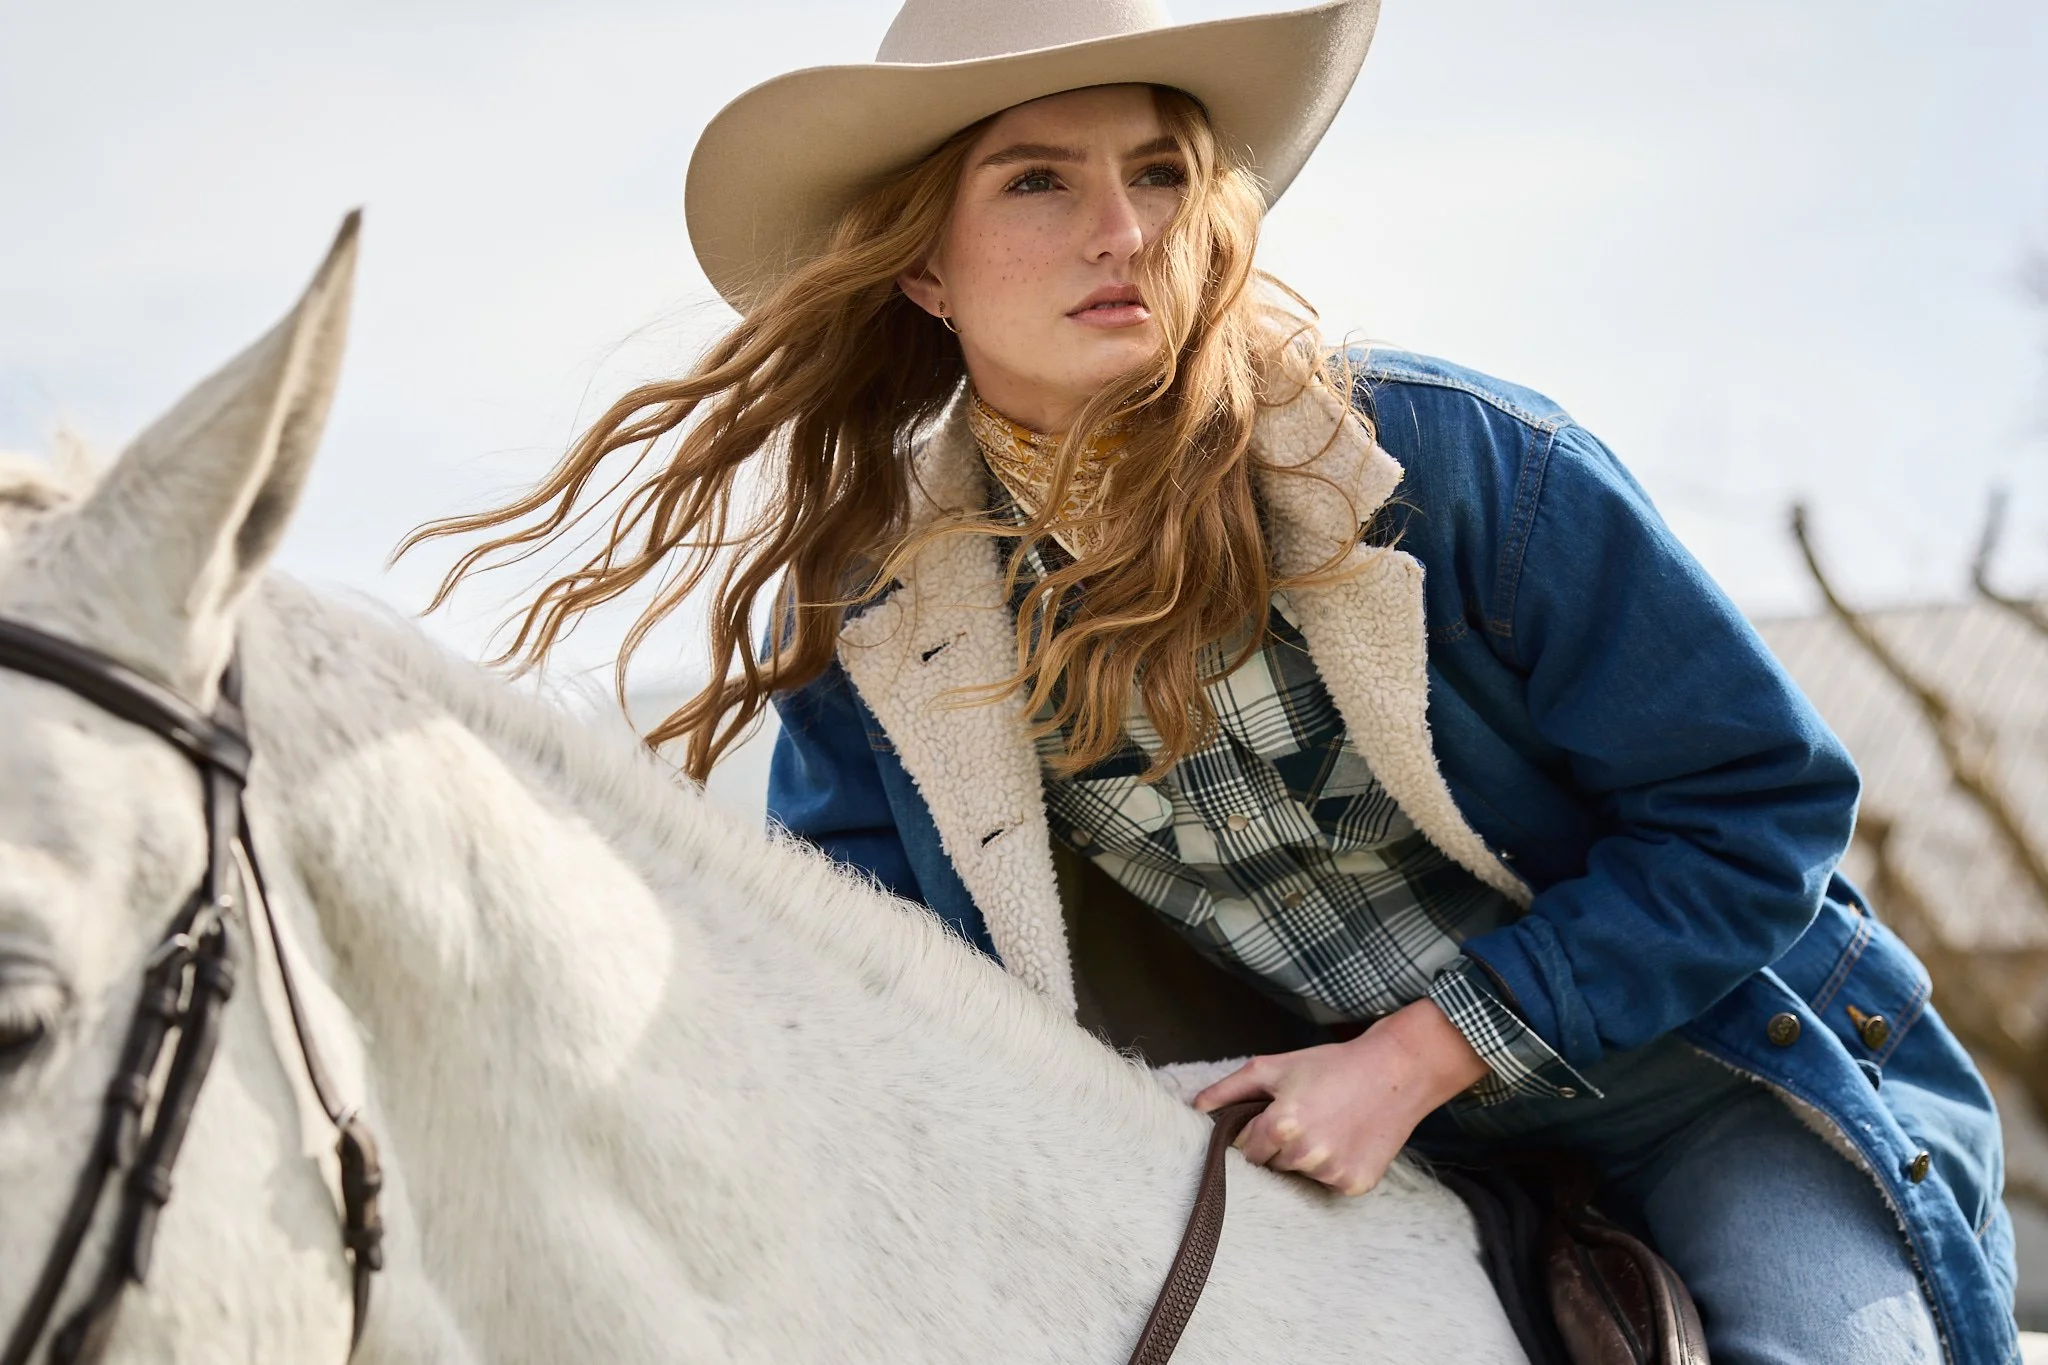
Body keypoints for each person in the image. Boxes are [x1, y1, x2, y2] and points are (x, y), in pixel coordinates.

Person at [416, 2, 2019, 1360]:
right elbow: (871, 976)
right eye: (1038, 181)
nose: (1122, 232)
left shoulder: (1457, 468)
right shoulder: (890, 624)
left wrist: (1418, 1054)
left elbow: (1760, 812)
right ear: (923, 267)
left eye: (1161, 172)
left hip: (1699, 1082)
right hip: (1282, 1141)